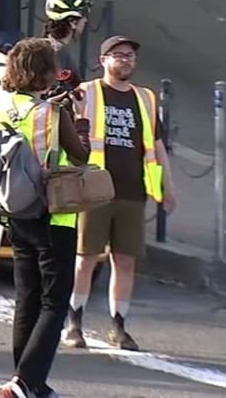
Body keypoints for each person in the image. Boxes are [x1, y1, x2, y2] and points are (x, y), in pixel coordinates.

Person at [63, 35, 176, 351]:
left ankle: (118, 327)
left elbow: (156, 145)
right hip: (94, 190)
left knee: (125, 261)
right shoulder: (86, 93)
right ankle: (74, 323)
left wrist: (168, 185)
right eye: (119, 55)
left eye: (130, 56)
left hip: (132, 191)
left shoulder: (146, 98)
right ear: (104, 60)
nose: (126, 60)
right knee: (85, 258)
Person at [0, 38, 90, 398]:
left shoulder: (5, 107)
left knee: (27, 298)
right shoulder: (52, 113)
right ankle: (25, 380)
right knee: (54, 301)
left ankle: (29, 381)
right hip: (54, 214)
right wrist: (80, 126)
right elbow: (78, 156)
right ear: (44, 72)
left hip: (17, 210)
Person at [43, 0, 91, 80]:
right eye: (83, 16)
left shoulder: (45, 48)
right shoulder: (58, 52)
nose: (85, 20)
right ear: (73, 22)